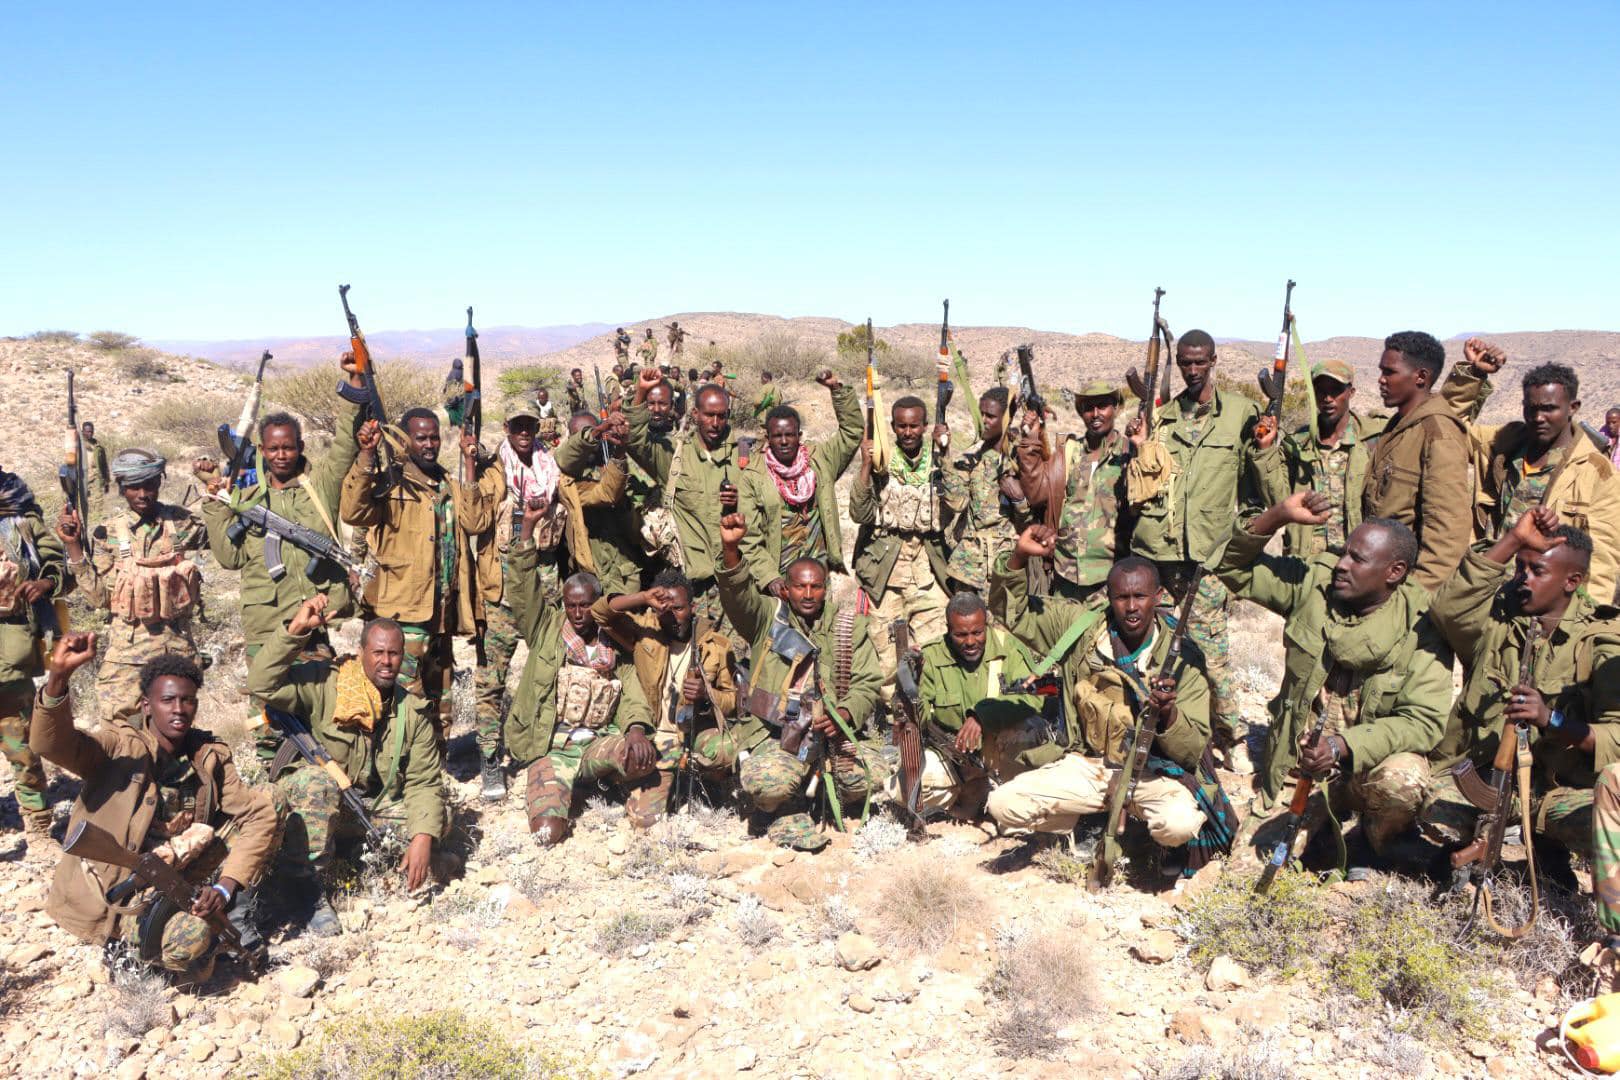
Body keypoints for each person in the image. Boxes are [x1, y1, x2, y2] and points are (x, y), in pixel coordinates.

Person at [1214, 493, 1453, 869]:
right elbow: (1231, 568)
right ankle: (1321, 831)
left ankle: (1376, 841)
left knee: (1402, 780)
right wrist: (1276, 516)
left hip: (1367, 771)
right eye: (1344, 553)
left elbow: (1423, 722)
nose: (1341, 565)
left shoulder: (1421, 626)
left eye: (1357, 560)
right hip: (1301, 771)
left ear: (1394, 572)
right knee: (1247, 869)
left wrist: (1343, 746)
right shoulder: (1315, 587)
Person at [35, 636, 284, 978]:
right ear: (146, 705)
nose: (178, 709)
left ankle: (236, 912)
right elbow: (51, 743)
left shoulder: (207, 754)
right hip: (125, 893)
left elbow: (256, 814)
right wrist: (58, 679)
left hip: (179, 872)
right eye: (167, 700)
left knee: (272, 800)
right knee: (193, 943)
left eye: (187, 701)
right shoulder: (117, 747)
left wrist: (225, 886)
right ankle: (131, 950)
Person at [988, 528, 1219, 872]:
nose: (1131, 607)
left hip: (1150, 772)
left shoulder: (1182, 657)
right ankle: (1084, 820)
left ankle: (1146, 837)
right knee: (1003, 804)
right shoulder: (1079, 629)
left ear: (1158, 596)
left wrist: (1168, 714)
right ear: (1108, 597)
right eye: (1121, 597)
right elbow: (1015, 613)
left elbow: (1192, 748)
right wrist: (1019, 557)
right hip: (1089, 765)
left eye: (1140, 596)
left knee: (1178, 824)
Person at [1420, 511, 1620, 888]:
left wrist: (1551, 720)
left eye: (1536, 571)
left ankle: (1550, 858)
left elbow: (1616, 736)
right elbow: (1447, 609)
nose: (1522, 579)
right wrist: (1513, 538)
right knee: (1416, 804)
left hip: (1558, 794)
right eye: (1519, 568)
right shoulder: (1497, 618)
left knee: (1608, 826)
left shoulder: (1603, 640)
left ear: (1571, 582)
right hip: (1484, 781)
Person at [253, 596, 445, 933]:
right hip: (315, 803)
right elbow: (261, 684)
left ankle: (348, 853)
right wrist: (295, 630)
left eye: (394, 654)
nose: (386, 662)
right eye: (378, 653)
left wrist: (423, 837)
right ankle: (305, 890)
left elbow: (423, 782)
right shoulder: (327, 683)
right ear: (362, 652)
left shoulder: (411, 711)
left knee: (434, 822)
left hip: (365, 808)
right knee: (316, 783)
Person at [1125, 328, 1260, 771]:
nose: (1193, 369)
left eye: (1201, 361)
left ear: (1214, 360)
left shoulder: (1241, 414)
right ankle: (1164, 729)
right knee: (1155, 648)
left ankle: (1232, 736)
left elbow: (1256, 486)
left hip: (1208, 556)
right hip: (1158, 554)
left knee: (1211, 650)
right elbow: (1143, 478)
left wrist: (1239, 540)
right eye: (1185, 362)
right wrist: (1138, 444)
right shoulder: (1163, 418)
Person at [716, 513, 887, 851]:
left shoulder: (847, 626)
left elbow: (867, 683)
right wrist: (731, 549)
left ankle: (819, 789)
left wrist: (844, 715)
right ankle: (787, 804)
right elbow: (736, 596)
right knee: (769, 783)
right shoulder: (767, 617)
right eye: (800, 586)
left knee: (874, 776)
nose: (808, 594)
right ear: (786, 587)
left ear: (826, 588)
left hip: (832, 736)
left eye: (816, 586)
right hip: (779, 737)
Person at [197, 353, 363, 685]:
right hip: (266, 628)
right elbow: (229, 558)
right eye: (273, 449)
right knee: (267, 724)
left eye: (288, 447)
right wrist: (216, 500)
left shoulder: (321, 487)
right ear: (261, 449)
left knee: (318, 712)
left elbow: (346, 442)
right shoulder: (247, 499)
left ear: (300, 447)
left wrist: (355, 382)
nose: (281, 455)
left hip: (313, 625)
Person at [339, 409, 502, 735]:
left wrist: (471, 464)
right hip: (403, 612)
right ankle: (397, 767)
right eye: (421, 437)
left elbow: (474, 522)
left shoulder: (447, 483)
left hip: (443, 612)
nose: (430, 444)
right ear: (406, 440)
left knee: (441, 699)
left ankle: (436, 769)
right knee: (402, 698)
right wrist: (367, 455)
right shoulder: (391, 483)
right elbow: (353, 510)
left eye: (434, 437)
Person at [503, 510, 655, 845]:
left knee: (643, 755)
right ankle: (565, 787)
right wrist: (526, 530)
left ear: (596, 604)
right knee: (547, 835)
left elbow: (632, 692)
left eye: (585, 606)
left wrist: (636, 729)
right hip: (553, 747)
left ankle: (602, 780)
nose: (577, 613)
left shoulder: (615, 640)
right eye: (571, 606)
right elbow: (521, 589)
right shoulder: (545, 629)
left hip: (597, 742)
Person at [1438, 339, 1620, 599]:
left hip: (1544, 600)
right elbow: (1446, 428)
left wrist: (1573, 626)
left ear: (1573, 408)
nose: (1538, 418)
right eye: (1531, 409)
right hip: (1490, 589)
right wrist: (1474, 374)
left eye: (1549, 409)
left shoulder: (1597, 473)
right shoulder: (1504, 444)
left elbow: (1602, 561)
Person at [60, 448, 208, 723]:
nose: (143, 494)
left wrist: (215, 488)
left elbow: (228, 546)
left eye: (149, 484)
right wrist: (74, 547)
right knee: (119, 738)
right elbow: (100, 598)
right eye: (133, 487)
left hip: (176, 651)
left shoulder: (183, 523)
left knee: (176, 738)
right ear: (122, 488)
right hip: (127, 659)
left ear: (159, 482)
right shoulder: (108, 533)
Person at [593, 570, 741, 826]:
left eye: (680, 608)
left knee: (727, 749)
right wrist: (642, 597)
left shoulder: (715, 644)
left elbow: (732, 701)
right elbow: (600, 613)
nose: (673, 616)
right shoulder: (644, 634)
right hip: (656, 740)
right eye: (665, 609)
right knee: (644, 821)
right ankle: (649, 783)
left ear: (692, 607)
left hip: (694, 736)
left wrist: (708, 695)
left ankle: (708, 783)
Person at [475, 401, 566, 801]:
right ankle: (490, 759)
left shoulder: (551, 468)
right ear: (508, 429)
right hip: (502, 593)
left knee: (548, 672)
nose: (525, 432)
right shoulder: (495, 474)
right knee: (492, 681)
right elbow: (474, 516)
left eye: (530, 425)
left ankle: (543, 747)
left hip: (545, 592)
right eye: (517, 426)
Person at [886, 590, 1043, 821]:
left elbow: (1035, 698)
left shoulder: (1009, 648)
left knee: (1031, 727)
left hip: (1001, 752)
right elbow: (918, 721)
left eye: (977, 633)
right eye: (960, 635)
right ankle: (973, 792)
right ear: (948, 629)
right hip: (955, 757)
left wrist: (984, 716)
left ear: (987, 625)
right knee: (903, 790)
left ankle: (1008, 794)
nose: (970, 642)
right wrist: (910, 686)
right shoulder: (932, 657)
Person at [625, 367, 744, 635]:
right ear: (695, 415)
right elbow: (634, 440)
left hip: (735, 579)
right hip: (694, 582)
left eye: (722, 416)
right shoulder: (675, 457)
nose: (715, 423)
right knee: (692, 655)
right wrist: (641, 392)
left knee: (733, 662)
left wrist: (740, 501)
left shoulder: (743, 457)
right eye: (709, 415)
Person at [850, 396, 951, 700]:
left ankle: (932, 711)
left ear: (924, 426)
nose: (908, 432)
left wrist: (945, 454)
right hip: (885, 570)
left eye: (914, 426)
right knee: (885, 654)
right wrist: (866, 467)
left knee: (938, 643)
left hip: (927, 570)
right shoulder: (882, 461)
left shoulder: (937, 459)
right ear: (893, 427)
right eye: (901, 426)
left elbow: (957, 502)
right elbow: (859, 514)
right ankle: (894, 720)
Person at [1361, 330, 1473, 591]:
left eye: (1389, 372)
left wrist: (1414, 601)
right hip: (1381, 582)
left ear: (1421, 377)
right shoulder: (1400, 426)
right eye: (1381, 371)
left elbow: (1447, 536)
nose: (1381, 380)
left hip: (1405, 590)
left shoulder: (1438, 434)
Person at [736, 370, 862, 596]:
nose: (784, 441)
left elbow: (852, 433)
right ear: (768, 437)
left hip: (817, 575)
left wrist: (836, 389)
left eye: (790, 435)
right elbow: (749, 536)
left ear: (799, 435)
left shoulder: (820, 461)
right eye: (777, 436)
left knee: (823, 629)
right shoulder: (753, 475)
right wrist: (768, 577)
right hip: (780, 580)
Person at [0, 468, 70, 842]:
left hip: (7, 655)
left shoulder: (22, 522)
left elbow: (59, 567)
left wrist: (45, 582)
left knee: (18, 740)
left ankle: (38, 822)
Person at [1020, 381, 1131, 601]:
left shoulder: (1129, 452)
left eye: (1103, 406)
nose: (1095, 414)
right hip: (1065, 574)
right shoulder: (1069, 452)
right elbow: (1037, 493)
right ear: (1081, 412)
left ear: (1115, 408)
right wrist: (1031, 439)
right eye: (1089, 408)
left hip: (1112, 578)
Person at [1253, 359, 1369, 558]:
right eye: (1321, 390)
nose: (1327, 398)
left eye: (1336, 390)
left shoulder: (1367, 443)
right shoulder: (1297, 444)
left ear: (1351, 392)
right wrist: (1265, 448)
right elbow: (1277, 498)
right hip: (1304, 562)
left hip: (1353, 563)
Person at [553, 411, 641, 595]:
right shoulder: (568, 478)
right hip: (591, 570)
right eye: (585, 436)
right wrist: (598, 430)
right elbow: (607, 493)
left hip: (623, 566)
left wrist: (620, 446)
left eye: (598, 435)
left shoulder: (609, 461)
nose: (593, 445)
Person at [82, 420, 110, 500]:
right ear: (83, 431)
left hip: (96, 480)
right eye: (87, 432)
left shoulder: (98, 447)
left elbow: (104, 465)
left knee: (98, 502)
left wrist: (106, 482)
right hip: (83, 480)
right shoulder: (78, 445)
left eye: (91, 431)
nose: (89, 434)